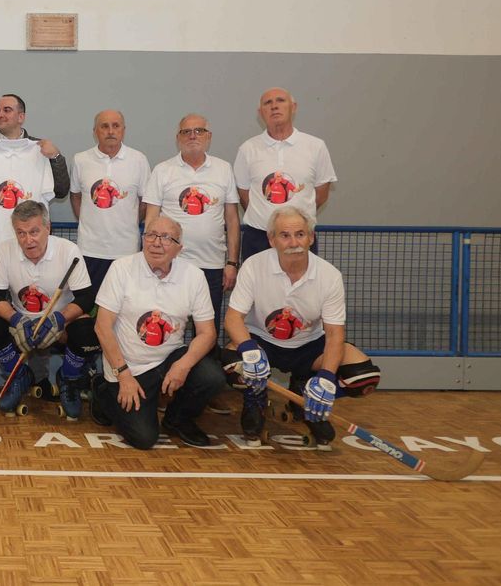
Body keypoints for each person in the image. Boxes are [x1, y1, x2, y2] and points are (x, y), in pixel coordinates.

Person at [225, 207, 381, 449]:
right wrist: (249, 350)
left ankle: (308, 397)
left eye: (300, 234)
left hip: (309, 347)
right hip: (263, 342)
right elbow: (234, 317)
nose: (293, 242)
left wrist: (328, 379)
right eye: (284, 235)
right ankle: (255, 398)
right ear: (272, 239)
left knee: (363, 377)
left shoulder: (329, 276)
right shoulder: (254, 266)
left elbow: (334, 334)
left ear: (311, 237)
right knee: (231, 364)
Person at [0, 94, 69, 402]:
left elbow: (60, 190)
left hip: (32, 252)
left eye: (7, 109)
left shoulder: (40, 151)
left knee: (36, 311)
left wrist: (56, 157)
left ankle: (40, 377)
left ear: (22, 116)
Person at [91, 216, 223, 448]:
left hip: (169, 361)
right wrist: (123, 376)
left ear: (179, 248)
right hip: (127, 367)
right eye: (150, 235)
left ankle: (178, 419)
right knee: (144, 439)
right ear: (143, 239)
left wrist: (183, 365)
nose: (156, 242)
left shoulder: (194, 276)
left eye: (166, 238)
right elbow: (102, 327)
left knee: (211, 377)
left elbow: (208, 333)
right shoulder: (121, 269)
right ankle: (103, 392)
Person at [0, 201, 99, 420]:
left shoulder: (68, 250)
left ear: (47, 228)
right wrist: (16, 320)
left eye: (34, 232)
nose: (28, 240)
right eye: (21, 233)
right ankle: (18, 375)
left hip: (61, 326)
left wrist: (59, 319)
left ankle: (68, 379)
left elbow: (87, 298)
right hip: (22, 326)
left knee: (89, 333)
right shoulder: (5, 250)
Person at [144, 113, 241, 334]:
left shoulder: (224, 169)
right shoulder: (162, 170)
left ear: (209, 136)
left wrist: (232, 263)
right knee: (167, 327)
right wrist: (150, 259)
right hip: (172, 264)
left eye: (199, 130)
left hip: (212, 265)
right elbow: (151, 219)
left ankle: (205, 367)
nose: (192, 136)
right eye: (186, 131)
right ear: (178, 138)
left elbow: (233, 220)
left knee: (206, 331)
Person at [233, 87, 336, 262]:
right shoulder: (247, 149)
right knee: (258, 289)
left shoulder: (316, 146)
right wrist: (268, 218)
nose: (274, 106)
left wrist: (294, 222)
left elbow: (321, 195)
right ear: (261, 112)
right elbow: (244, 194)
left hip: (301, 238)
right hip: (258, 238)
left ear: (293, 107)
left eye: (280, 101)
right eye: (268, 103)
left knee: (302, 288)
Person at [69, 109, 151, 290]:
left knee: (124, 307)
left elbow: (145, 201)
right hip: (89, 249)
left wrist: (128, 222)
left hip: (126, 250)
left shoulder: (139, 160)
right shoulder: (80, 160)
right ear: (95, 131)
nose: (111, 131)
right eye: (104, 126)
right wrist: (87, 219)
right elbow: (75, 196)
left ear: (123, 130)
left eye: (116, 126)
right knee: (88, 308)